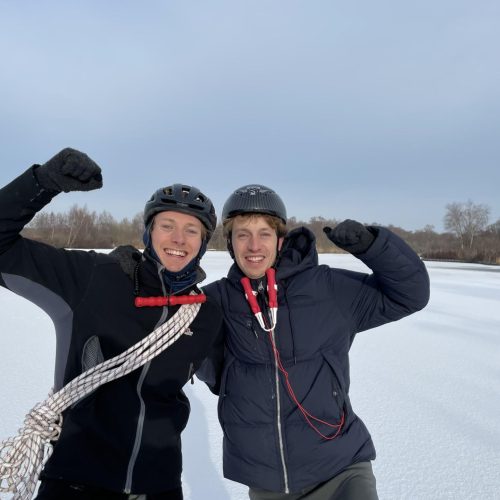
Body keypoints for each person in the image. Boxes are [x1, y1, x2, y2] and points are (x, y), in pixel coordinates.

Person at [0, 148, 222, 499]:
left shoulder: (205, 313)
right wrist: (41, 183)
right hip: (75, 481)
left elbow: (236, 375)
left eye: (192, 230)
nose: (179, 239)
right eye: (168, 225)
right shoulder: (92, 277)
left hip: (159, 486)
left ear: (203, 244)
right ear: (149, 232)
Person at [198, 184, 430, 500]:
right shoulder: (217, 300)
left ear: (280, 241)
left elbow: (411, 294)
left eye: (264, 234)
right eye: (242, 234)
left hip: (341, 470)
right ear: (230, 242)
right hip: (269, 484)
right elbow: (167, 329)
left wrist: (372, 246)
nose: (254, 245)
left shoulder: (327, 288)